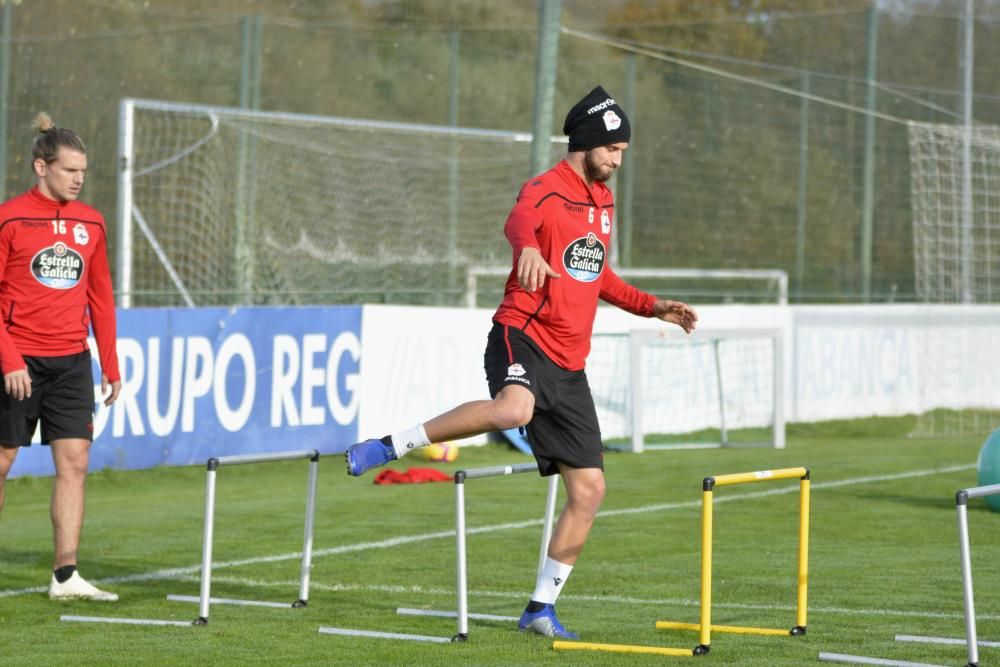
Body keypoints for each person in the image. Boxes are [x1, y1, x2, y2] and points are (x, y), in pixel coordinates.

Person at [345, 86, 697, 638]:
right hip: (521, 336)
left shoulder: (603, 201)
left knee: (590, 491)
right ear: (587, 142)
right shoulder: (545, 189)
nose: (620, 160)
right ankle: (392, 445)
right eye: (615, 150)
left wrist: (654, 307)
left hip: (570, 364)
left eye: (624, 151)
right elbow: (518, 222)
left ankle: (539, 608)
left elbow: (596, 274)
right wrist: (527, 249)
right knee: (513, 409)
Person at [0, 113, 121, 601]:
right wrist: (8, 358)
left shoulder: (91, 221)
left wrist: (110, 366)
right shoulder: (8, 218)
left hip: (72, 360)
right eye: (70, 170)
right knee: (3, 460)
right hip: (16, 360)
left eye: (83, 172)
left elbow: (102, 296)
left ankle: (66, 576)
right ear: (40, 167)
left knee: (75, 461)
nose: (78, 179)